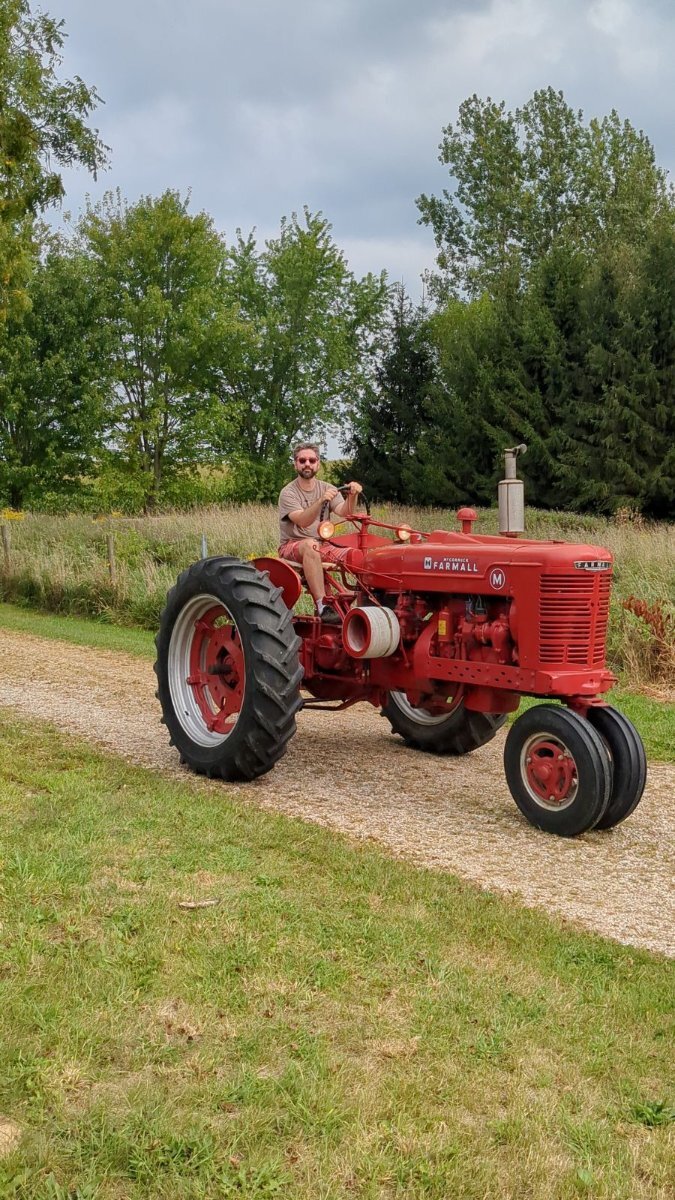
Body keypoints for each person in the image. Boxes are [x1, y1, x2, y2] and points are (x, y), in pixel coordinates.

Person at [278, 443, 362, 623]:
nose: (307, 464)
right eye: (302, 460)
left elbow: (345, 512)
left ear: (318, 463)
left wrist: (352, 495)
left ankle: (366, 604)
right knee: (311, 545)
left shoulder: (327, 487)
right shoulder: (288, 493)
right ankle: (323, 605)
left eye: (312, 460)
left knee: (356, 555)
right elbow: (303, 520)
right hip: (294, 546)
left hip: (322, 545)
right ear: (295, 464)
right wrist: (320, 501)